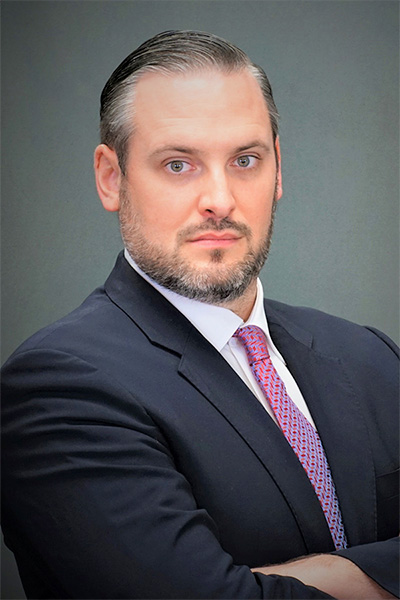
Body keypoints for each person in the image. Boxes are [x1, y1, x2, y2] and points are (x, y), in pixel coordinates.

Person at [1, 30, 398, 600]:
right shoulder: (58, 387)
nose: (220, 199)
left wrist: (299, 580)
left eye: (245, 160)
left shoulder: (371, 357)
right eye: (178, 164)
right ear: (112, 178)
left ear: (278, 170)